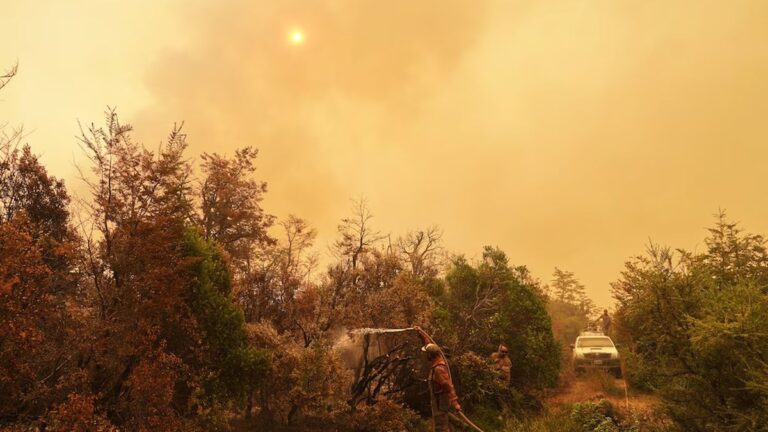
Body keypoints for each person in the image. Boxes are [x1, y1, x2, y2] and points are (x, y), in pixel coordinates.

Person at [422, 343, 461, 432]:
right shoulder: (436, 364)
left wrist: (455, 403)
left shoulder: (439, 369)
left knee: (441, 428)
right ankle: (461, 426)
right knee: (446, 423)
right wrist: (422, 335)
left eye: (427, 354)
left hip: (440, 403)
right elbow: (430, 346)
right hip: (438, 403)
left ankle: (461, 425)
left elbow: (448, 386)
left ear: (430, 355)